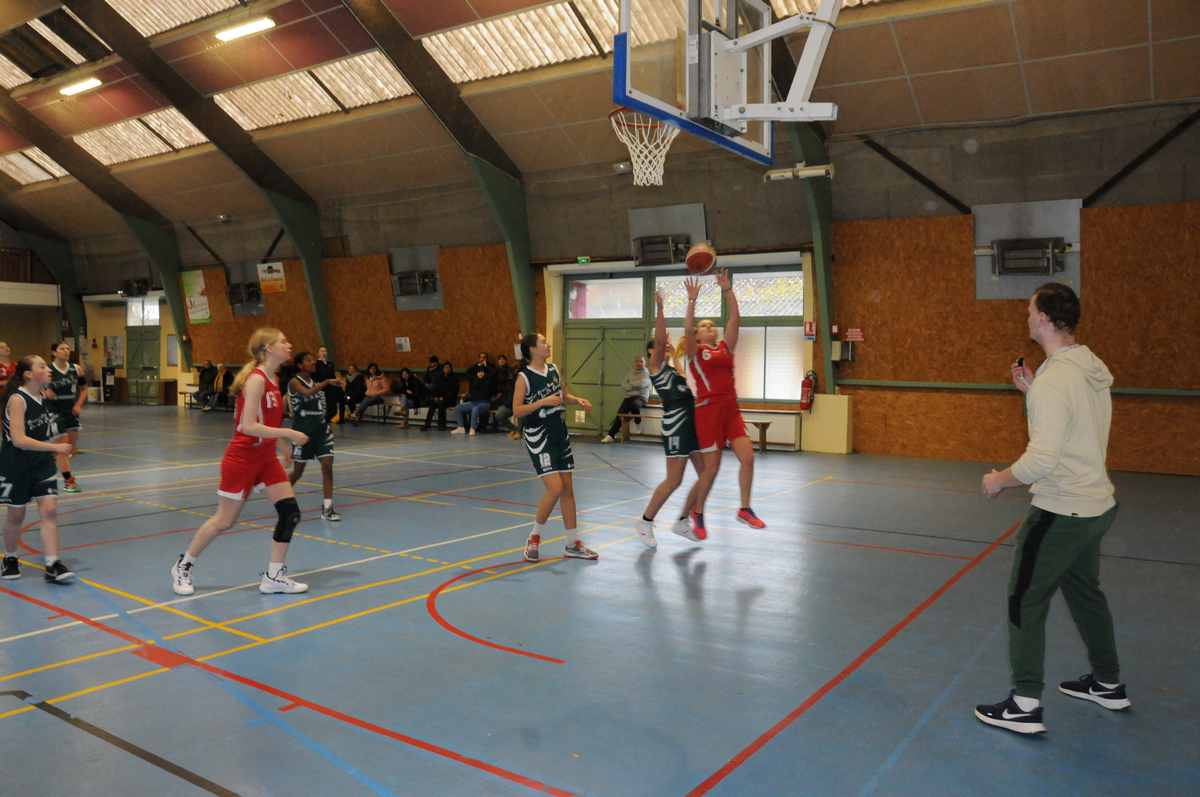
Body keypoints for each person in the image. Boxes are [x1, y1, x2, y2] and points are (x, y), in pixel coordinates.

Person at [974, 283, 1127, 735]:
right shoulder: (1085, 367)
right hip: (1095, 507)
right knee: (1085, 594)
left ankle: (1024, 704)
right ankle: (1108, 683)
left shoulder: (1055, 380)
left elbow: (1041, 460)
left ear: (1043, 319)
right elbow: (1070, 426)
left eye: (1029, 311)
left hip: (1060, 512)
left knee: (1025, 598)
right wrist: (1032, 390)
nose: (1026, 317)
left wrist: (999, 480)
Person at [169, 328, 310, 596]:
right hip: (242, 458)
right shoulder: (256, 380)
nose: (289, 345)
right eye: (283, 341)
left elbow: (267, 420)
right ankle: (183, 565)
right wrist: (288, 434)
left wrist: (281, 446)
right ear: (268, 348)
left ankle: (274, 576)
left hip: (265, 458)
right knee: (224, 521)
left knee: (290, 513)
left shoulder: (274, 378)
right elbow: (247, 426)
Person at [684, 271, 765, 537]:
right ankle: (698, 512)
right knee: (712, 469)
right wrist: (692, 301)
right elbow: (687, 328)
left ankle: (745, 508)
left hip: (731, 408)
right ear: (697, 336)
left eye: (711, 324)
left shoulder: (724, 347)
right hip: (708, 411)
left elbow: (735, 319)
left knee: (748, 457)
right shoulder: (696, 353)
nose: (708, 327)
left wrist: (728, 290)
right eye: (703, 326)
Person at [514, 333, 598, 562]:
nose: (547, 344)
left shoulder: (554, 370)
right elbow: (517, 410)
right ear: (532, 349)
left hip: (559, 432)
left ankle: (572, 544)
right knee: (555, 488)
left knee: (568, 489)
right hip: (539, 436)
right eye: (543, 342)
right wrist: (542, 402)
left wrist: (576, 399)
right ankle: (533, 537)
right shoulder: (524, 377)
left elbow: (562, 395)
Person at [635, 291, 707, 547]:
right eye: (660, 345)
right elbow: (661, 337)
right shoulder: (655, 367)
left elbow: (685, 377)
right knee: (674, 480)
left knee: (706, 475)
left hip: (691, 426)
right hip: (676, 426)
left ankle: (682, 521)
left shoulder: (673, 370)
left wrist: (675, 355)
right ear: (652, 351)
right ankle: (645, 521)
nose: (665, 345)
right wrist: (661, 309)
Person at [1, 355, 76, 583]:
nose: (48, 369)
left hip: (42, 463)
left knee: (49, 511)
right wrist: (55, 447)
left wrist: (58, 438)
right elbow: (19, 440)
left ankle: (52, 563)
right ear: (28, 374)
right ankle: (10, 558)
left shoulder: (44, 397)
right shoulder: (17, 399)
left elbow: (49, 428)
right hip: (16, 464)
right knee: (16, 515)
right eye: (42, 366)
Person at [286, 352, 341, 522]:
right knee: (297, 472)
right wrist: (326, 382)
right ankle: (281, 496)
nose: (313, 362)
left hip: (321, 432)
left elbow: (321, 404)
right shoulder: (294, 382)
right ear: (300, 365)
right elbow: (307, 393)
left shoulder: (316, 384)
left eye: (313, 360)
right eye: (308, 360)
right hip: (303, 434)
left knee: (327, 466)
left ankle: (327, 508)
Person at [46, 341, 85, 494]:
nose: (66, 351)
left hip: (71, 410)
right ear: (54, 352)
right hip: (54, 411)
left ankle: (50, 456)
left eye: (68, 348)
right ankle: (69, 481)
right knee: (62, 448)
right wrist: (44, 392)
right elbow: (35, 388)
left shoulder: (77, 369)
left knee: (70, 449)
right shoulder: (47, 370)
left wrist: (79, 405)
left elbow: (84, 389)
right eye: (62, 348)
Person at [601, 354, 651, 443]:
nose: (639, 363)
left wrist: (630, 385)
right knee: (620, 414)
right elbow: (623, 384)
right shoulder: (630, 372)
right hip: (629, 397)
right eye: (637, 361)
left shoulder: (647, 373)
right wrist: (633, 386)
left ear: (645, 363)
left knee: (634, 405)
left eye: (641, 361)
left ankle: (637, 421)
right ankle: (611, 435)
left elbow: (642, 385)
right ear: (634, 363)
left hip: (641, 397)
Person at [452, 354, 494, 436]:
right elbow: (467, 371)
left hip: (485, 403)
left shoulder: (488, 379)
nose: (480, 373)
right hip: (473, 402)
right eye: (479, 372)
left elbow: (493, 373)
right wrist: (477, 363)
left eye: (482, 372)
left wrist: (486, 365)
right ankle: (461, 427)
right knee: (458, 408)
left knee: (475, 409)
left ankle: (472, 428)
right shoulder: (474, 379)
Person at [423, 361, 456, 431]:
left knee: (441, 403)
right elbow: (435, 388)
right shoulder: (439, 377)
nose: (446, 369)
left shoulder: (454, 378)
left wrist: (443, 397)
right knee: (432, 404)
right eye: (445, 368)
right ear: (443, 369)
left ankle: (441, 425)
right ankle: (427, 425)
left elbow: (453, 392)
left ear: (450, 369)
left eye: (448, 367)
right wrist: (435, 396)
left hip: (450, 399)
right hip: (438, 397)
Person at [314, 346, 344, 423]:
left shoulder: (330, 364)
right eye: (322, 351)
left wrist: (338, 382)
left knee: (341, 398)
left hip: (331, 387)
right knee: (328, 408)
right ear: (318, 353)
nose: (324, 352)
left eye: (325, 351)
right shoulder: (316, 364)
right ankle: (324, 421)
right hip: (322, 388)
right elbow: (321, 377)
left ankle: (340, 418)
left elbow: (333, 376)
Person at [492, 353, 516, 434]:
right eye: (500, 359)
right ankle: (513, 428)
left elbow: (509, 385)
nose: (501, 361)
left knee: (500, 414)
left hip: (508, 398)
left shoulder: (509, 370)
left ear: (506, 361)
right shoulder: (495, 370)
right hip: (499, 396)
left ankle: (515, 429)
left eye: (503, 359)